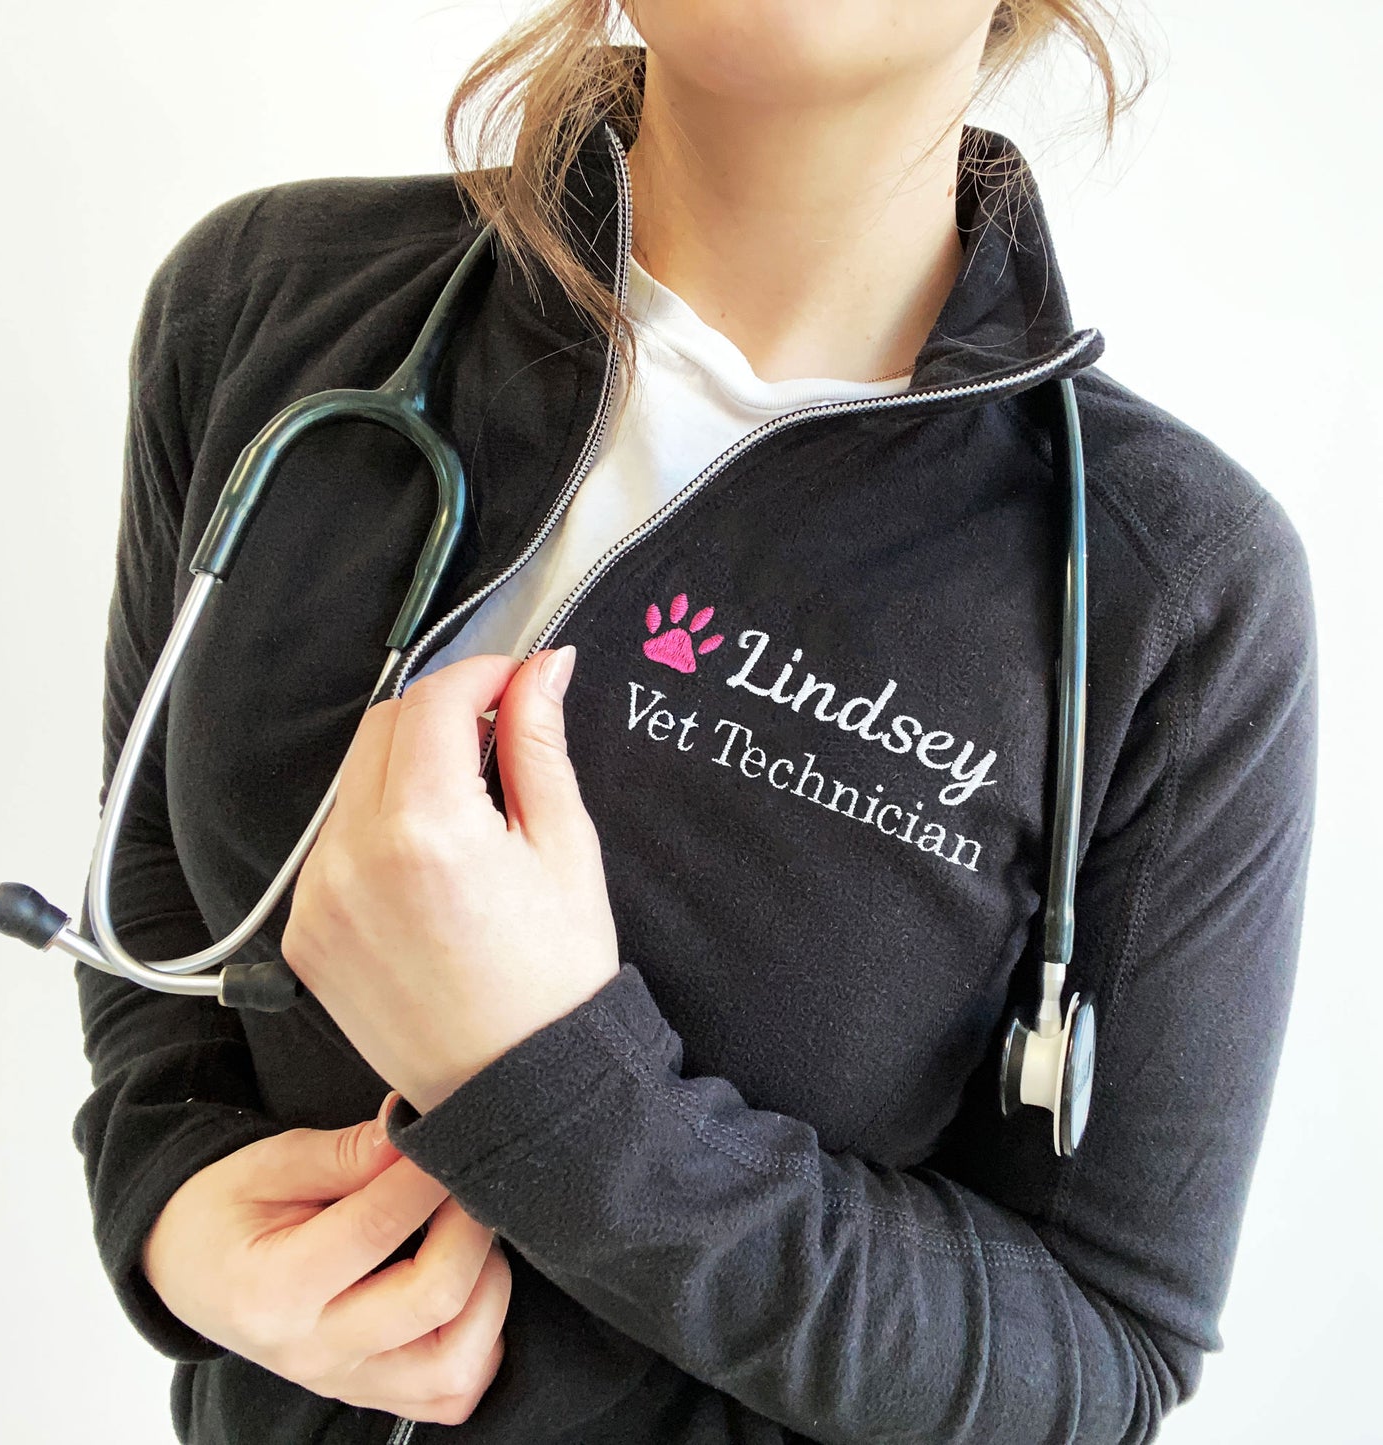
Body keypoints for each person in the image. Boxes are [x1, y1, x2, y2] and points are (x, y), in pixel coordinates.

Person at [73, 4, 1317, 1443]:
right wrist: (165, 1203)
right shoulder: (263, 304)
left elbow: (1099, 1358)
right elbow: (147, 917)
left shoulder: (1174, 584)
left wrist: (551, 1087)